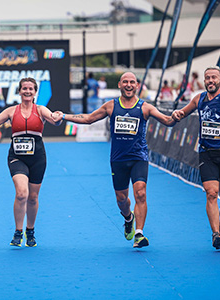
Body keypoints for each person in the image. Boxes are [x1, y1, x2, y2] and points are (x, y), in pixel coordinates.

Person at [53, 72, 177, 248]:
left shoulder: (145, 107)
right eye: (125, 82)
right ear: (119, 85)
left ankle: (140, 234)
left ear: (137, 86)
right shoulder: (111, 106)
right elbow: (88, 119)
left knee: (140, 193)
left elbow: (167, 120)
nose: (128, 85)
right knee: (121, 199)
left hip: (138, 157)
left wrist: (178, 116)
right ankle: (128, 218)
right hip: (118, 160)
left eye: (132, 82)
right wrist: (64, 116)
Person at [0, 77, 63, 248]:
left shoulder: (40, 110)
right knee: (22, 193)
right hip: (17, 157)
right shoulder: (11, 111)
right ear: (19, 91)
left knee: (32, 197)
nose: (27, 91)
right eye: (24, 88)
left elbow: (54, 120)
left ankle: (30, 230)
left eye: (31, 89)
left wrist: (58, 117)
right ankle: (18, 231)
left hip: (38, 157)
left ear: (35, 91)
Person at [172, 59, 220, 250]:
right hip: (206, 152)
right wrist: (177, 114)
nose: (210, 80)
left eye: (214, 77)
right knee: (211, 193)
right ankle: (216, 234)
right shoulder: (199, 99)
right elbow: (183, 112)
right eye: (207, 78)